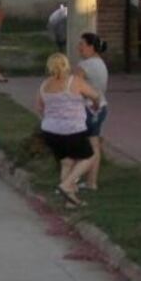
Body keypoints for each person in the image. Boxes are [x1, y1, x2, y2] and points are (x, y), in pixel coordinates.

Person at [37, 53, 101, 208]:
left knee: (67, 162)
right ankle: (66, 184)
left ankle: (70, 202)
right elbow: (95, 96)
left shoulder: (44, 85)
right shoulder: (75, 81)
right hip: (73, 130)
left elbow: (40, 107)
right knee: (89, 157)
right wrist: (95, 105)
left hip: (50, 131)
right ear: (67, 65)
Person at [76, 32, 109, 191]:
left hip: (87, 109)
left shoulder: (84, 66)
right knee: (94, 146)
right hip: (101, 108)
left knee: (79, 147)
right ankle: (91, 182)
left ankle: (71, 180)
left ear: (91, 47)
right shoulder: (101, 64)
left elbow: (75, 88)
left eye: (82, 44)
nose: (79, 48)